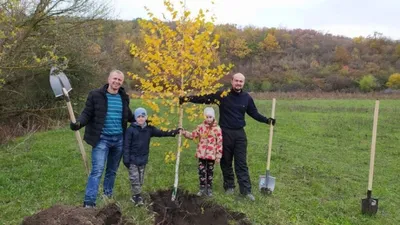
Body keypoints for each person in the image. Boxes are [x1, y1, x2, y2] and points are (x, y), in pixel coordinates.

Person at [179, 72, 276, 201]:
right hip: (224, 133)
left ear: (243, 83)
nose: (238, 83)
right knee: (226, 162)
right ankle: (229, 186)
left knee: (241, 163)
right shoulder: (223, 95)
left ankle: (246, 191)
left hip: (239, 134)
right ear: (232, 81)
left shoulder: (246, 98)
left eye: (241, 81)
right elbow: (204, 98)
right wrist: (186, 99)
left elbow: (254, 113)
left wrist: (266, 120)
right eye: (236, 80)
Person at [70, 69, 133, 208]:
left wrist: (144, 121)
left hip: (119, 140)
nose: (116, 82)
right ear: (108, 79)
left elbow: (128, 115)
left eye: (119, 80)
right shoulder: (95, 95)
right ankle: (89, 202)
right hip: (101, 139)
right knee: (97, 170)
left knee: (112, 170)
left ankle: (107, 196)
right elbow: (87, 113)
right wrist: (78, 123)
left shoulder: (124, 97)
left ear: (122, 83)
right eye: (114, 78)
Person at [123, 107, 181, 206]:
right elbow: (126, 145)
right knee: (135, 179)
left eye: (142, 116)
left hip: (143, 159)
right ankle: (137, 197)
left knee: (140, 179)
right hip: (132, 159)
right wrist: (126, 159)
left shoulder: (149, 129)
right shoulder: (131, 130)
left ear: (146, 117)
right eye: (138, 117)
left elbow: (161, 132)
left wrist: (173, 132)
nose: (140, 119)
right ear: (135, 118)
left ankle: (135, 196)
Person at [181, 107, 223, 197]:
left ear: (213, 117)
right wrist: (184, 133)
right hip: (201, 154)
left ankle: (209, 188)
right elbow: (193, 135)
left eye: (210, 117)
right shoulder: (200, 127)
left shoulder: (217, 129)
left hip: (211, 155)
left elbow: (219, 143)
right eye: (207, 117)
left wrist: (218, 155)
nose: (208, 119)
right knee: (201, 171)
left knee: (210, 172)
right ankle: (202, 188)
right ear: (205, 117)